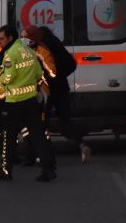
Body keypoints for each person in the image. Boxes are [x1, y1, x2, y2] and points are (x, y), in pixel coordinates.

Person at [0, 25, 55, 182]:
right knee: (39, 136)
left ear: (10, 38)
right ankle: (48, 169)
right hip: (31, 101)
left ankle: (6, 170)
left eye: (2, 39)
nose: (0, 42)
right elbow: (39, 74)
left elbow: (8, 77)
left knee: (8, 138)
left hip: (13, 103)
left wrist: (1, 79)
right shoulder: (30, 52)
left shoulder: (10, 54)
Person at [34, 25, 91, 164]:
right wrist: (60, 76)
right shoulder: (56, 43)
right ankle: (82, 145)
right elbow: (71, 64)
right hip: (61, 89)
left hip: (46, 91)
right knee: (65, 123)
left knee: (42, 123)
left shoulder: (41, 48)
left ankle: (44, 154)